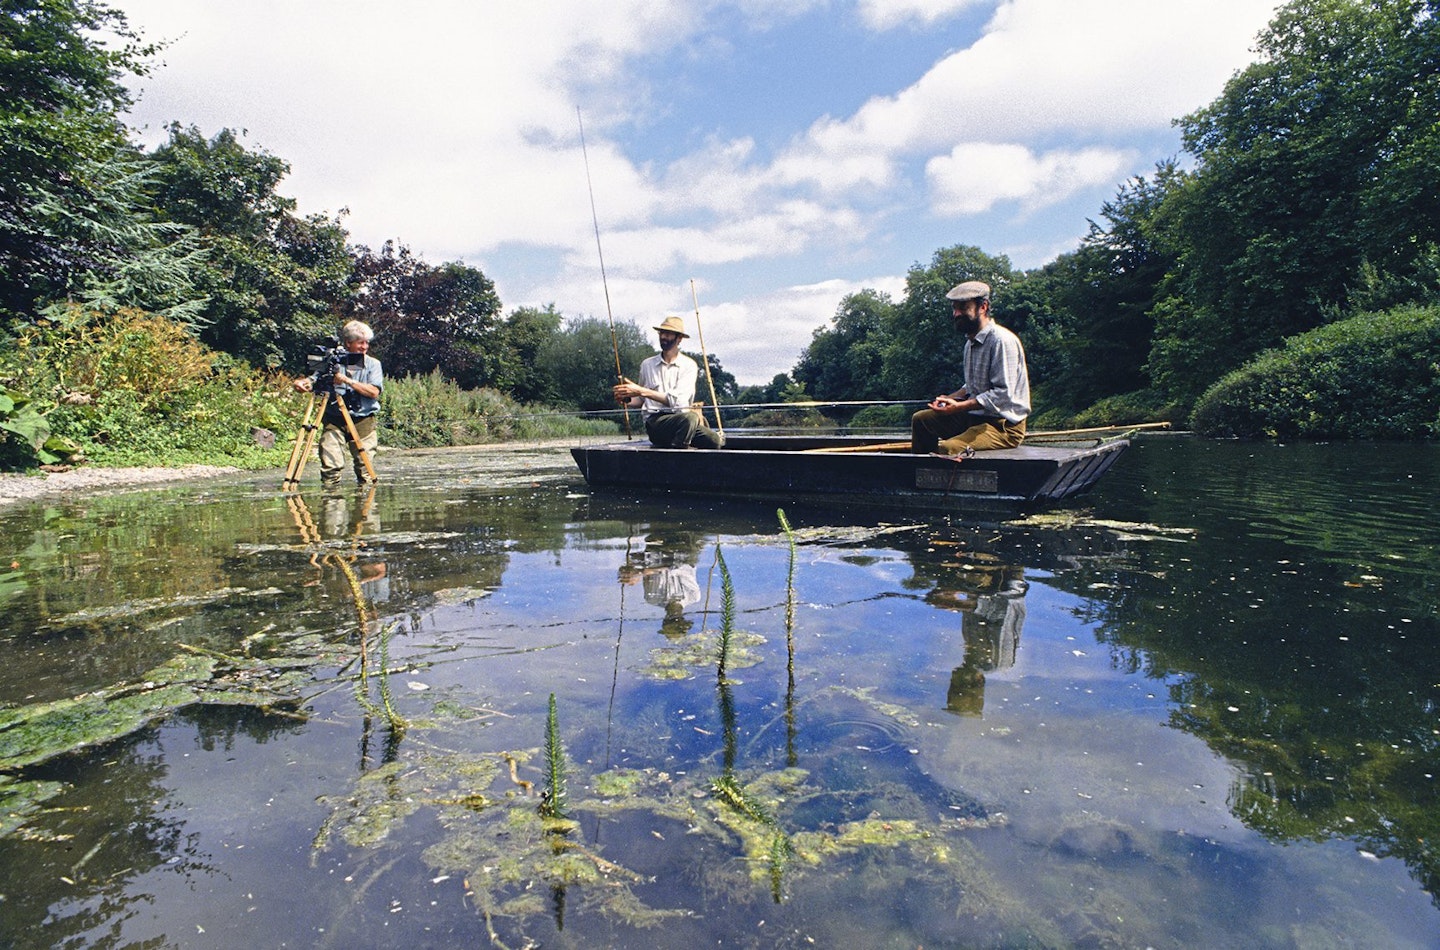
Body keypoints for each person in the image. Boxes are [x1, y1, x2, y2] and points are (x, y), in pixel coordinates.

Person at [910, 280, 1030, 455]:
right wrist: (949, 399)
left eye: (963, 308)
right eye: (954, 308)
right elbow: (971, 386)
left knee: (948, 448)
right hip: (974, 418)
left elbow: (1003, 395)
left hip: (1003, 426)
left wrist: (959, 407)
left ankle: (936, 476)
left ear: (983, 307)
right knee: (921, 419)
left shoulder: (1002, 341)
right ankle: (917, 474)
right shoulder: (970, 343)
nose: (956, 314)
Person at [293, 320, 384, 489]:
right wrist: (303, 384)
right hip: (334, 417)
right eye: (360, 343)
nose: (364, 347)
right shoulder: (331, 360)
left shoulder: (372, 364)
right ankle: (331, 503)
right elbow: (314, 379)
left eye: (366, 343)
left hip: (362, 419)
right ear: (348, 343)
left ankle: (366, 507)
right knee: (330, 467)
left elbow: (373, 392)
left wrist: (347, 380)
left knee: (365, 470)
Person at [612, 315, 725, 449]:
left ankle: (679, 447)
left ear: (679, 339)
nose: (663, 337)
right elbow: (642, 400)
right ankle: (677, 458)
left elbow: (679, 402)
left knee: (715, 441)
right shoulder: (647, 364)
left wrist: (640, 390)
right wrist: (627, 398)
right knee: (690, 418)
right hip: (656, 423)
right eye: (662, 333)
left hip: (683, 422)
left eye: (668, 334)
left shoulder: (689, 365)